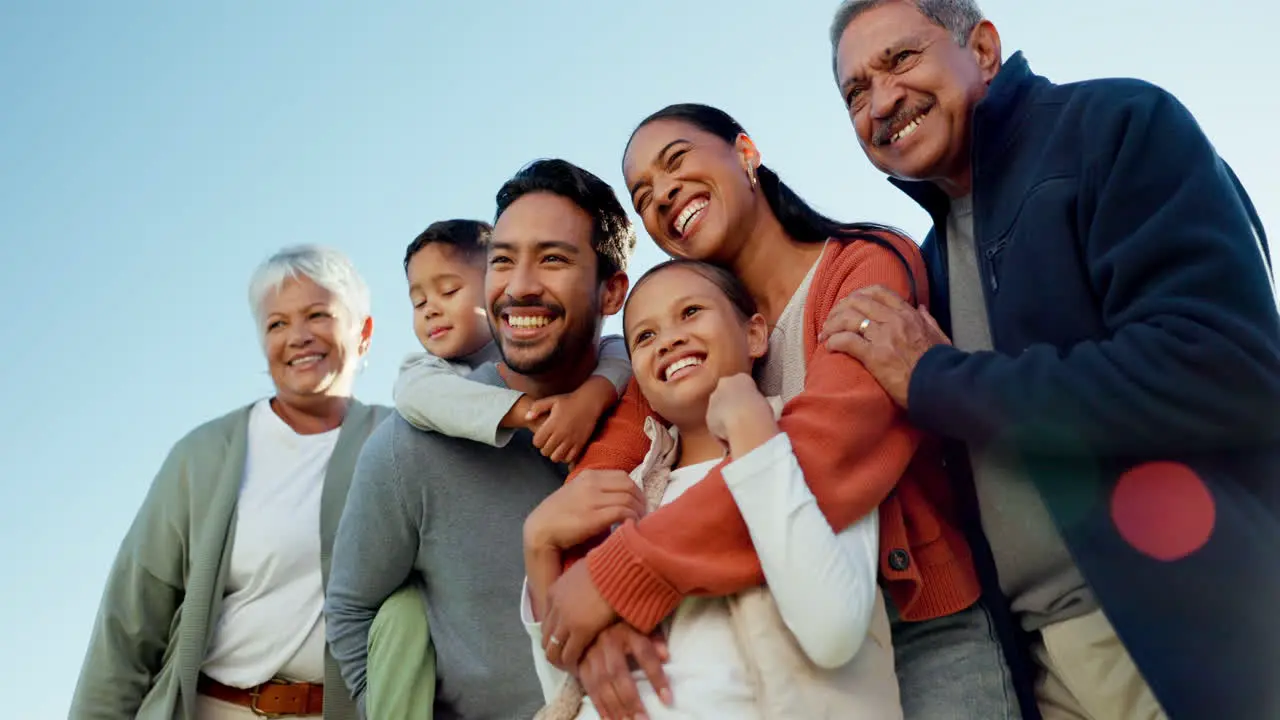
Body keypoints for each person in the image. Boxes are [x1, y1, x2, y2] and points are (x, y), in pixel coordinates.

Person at [825, 1, 1280, 718]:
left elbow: (1222, 367)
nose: (881, 101)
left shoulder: (1116, 125)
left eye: (901, 60)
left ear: (981, 49)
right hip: (1039, 668)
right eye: (854, 92)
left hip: (1186, 637)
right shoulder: (926, 268)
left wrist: (937, 380)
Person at [535, 103, 1019, 719]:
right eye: (643, 195)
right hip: (772, 637)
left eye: (676, 161)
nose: (662, 196)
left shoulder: (864, 263)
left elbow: (829, 451)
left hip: (917, 622)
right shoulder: (687, 337)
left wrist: (620, 576)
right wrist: (590, 610)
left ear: (745, 152)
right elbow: (602, 473)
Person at [324, 158, 636, 719]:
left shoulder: (659, 401)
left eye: (553, 259)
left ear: (612, 291)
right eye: (502, 262)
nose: (520, 286)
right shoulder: (409, 447)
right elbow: (351, 613)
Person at [522, 260, 901, 719]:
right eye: (645, 336)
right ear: (639, 381)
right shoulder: (628, 495)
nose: (669, 339)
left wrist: (750, 432)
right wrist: (538, 544)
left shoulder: (803, 450)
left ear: (756, 335)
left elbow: (833, 630)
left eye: (691, 312)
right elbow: (569, 692)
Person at [69, 246, 413, 720]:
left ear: (364, 332)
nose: (297, 337)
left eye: (318, 315)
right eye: (276, 324)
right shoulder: (204, 454)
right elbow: (130, 621)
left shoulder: (402, 445)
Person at [393, 218, 632, 462]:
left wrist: (590, 399)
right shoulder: (429, 371)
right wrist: (530, 413)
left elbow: (620, 347)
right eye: (418, 302)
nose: (429, 310)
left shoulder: (533, 343)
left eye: (448, 291)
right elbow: (417, 395)